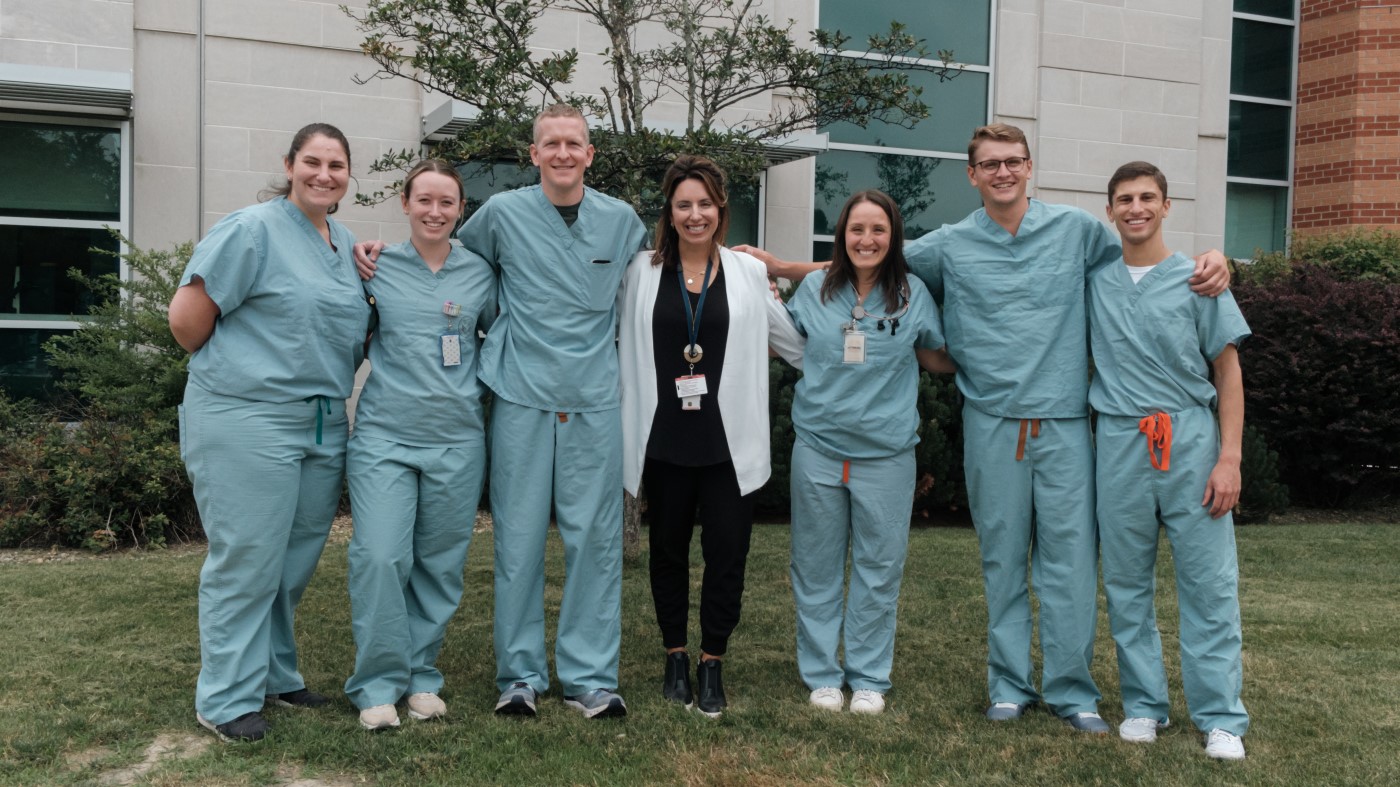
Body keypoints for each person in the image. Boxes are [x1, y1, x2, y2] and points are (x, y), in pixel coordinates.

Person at [737, 123, 1231, 733]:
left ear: (1029, 168)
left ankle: (1073, 690)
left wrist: (1213, 258)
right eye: (989, 164)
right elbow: (868, 259)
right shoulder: (948, 246)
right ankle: (1008, 684)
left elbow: (1144, 259)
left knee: (1070, 564)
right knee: (1002, 561)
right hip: (992, 425)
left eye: (1012, 162)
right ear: (972, 175)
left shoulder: (1077, 233)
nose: (1002, 172)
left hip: (1066, 425)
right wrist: (783, 265)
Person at [357, 104, 648, 718]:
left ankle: (590, 676)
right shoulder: (501, 215)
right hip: (518, 396)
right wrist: (377, 257)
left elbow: (649, 288)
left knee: (593, 540)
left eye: (575, 143)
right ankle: (519, 676)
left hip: (593, 400)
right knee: (516, 540)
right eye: (551, 143)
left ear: (590, 154)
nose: (563, 153)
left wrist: (761, 269)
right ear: (534, 153)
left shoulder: (621, 222)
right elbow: (451, 268)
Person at [169, 123, 370, 743]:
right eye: (312, 161)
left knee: (292, 562)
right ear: (289, 165)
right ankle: (226, 697)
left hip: (322, 420)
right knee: (247, 559)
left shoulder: (344, 243)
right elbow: (186, 321)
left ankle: (275, 675)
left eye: (336, 165)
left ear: (347, 176)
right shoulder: (250, 229)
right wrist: (247, 374)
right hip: (247, 415)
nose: (324, 174)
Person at [618, 155, 804, 718]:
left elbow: (795, 345)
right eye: (683, 205)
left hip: (731, 444)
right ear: (669, 213)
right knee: (668, 553)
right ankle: (674, 654)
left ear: (720, 210)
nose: (694, 214)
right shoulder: (639, 270)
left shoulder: (749, 272)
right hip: (664, 438)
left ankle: (711, 659)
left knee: (728, 556)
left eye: (704, 204)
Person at [1091, 161, 1250, 760]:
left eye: (1147, 198)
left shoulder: (1199, 279)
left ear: (1166, 206)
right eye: (1124, 199)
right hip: (1119, 440)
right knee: (1127, 582)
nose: (1136, 208)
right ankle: (1143, 705)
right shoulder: (1096, 282)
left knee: (1208, 585)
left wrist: (1228, 458)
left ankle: (1220, 717)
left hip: (1188, 439)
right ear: (1109, 211)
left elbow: (1227, 370)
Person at [783, 190, 951, 715]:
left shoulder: (913, 293)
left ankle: (871, 677)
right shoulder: (813, 288)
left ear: (893, 236)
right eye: (857, 229)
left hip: (887, 456)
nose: (867, 239)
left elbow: (934, 356)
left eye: (878, 230)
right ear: (842, 235)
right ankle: (823, 676)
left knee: (880, 569)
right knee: (815, 567)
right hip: (818, 450)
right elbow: (780, 340)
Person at [343, 160, 496, 730]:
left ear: (461, 210)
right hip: (385, 437)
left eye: (447, 202)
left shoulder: (480, 273)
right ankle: (377, 685)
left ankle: (421, 675)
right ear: (405, 204)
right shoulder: (374, 267)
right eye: (424, 200)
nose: (435, 211)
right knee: (381, 557)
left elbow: (504, 335)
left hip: (458, 440)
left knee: (439, 565)